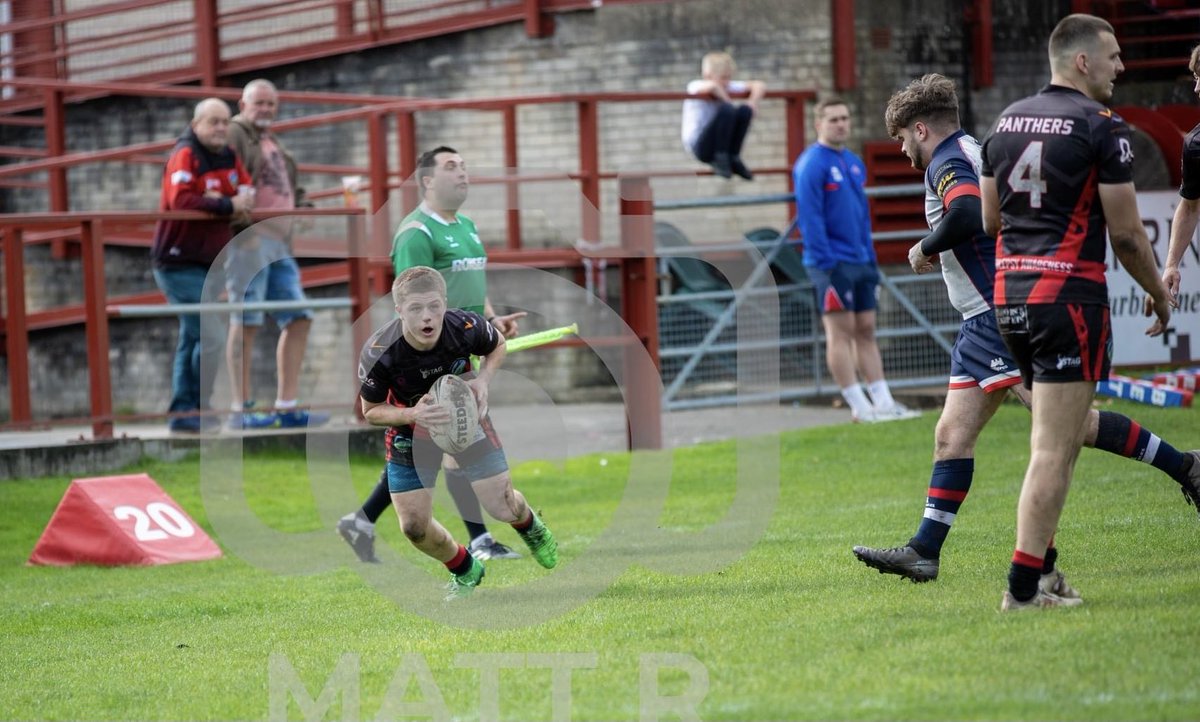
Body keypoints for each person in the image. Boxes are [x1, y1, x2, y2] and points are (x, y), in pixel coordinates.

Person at [852, 73, 1200, 589]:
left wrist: (925, 246)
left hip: (997, 314)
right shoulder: (970, 147)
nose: (903, 152)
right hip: (981, 319)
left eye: (903, 139)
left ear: (920, 129)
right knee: (951, 434)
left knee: (1066, 428)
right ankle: (924, 552)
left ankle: (1184, 467)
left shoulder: (946, 163)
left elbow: (968, 213)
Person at [980, 14, 1172, 611]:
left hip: (1010, 299)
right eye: (1113, 56)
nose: (1122, 66)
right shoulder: (1101, 127)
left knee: (1052, 443)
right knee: (1053, 450)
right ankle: (1022, 588)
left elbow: (991, 222)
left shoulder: (1006, 120)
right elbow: (1129, 237)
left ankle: (1044, 572)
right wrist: (1160, 292)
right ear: (1082, 61)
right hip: (1068, 301)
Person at [338, 146, 527, 563]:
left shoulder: (466, 226)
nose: (462, 173)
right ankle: (478, 541)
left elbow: (470, 285)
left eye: (464, 165)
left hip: (461, 350)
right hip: (425, 360)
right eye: (450, 167)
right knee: (446, 439)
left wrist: (491, 321)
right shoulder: (416, 234)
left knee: (443, 441)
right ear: (427, 181)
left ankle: (362, 521)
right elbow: (412, 294)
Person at [358, 266, 557, 597]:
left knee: (503, 506)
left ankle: (530, 526)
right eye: (415, 309)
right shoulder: (380, 351)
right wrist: (413, 413)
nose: (427, 317)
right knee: (414, 528)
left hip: (466, 421)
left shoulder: (464, 326)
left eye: (434, 306)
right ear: (399, 311)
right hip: (410, 431)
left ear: (445, 303)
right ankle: (465, 568)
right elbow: (371, 412)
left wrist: (482, 381)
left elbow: (498, 345)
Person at [792, 97, 917, 423]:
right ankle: (859, 407)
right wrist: (828, 263)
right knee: (840, 333)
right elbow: (811, 219)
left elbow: (861, 216)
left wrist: (870, 256)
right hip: (831, 263)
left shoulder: (853, 162)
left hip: (862, 260)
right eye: (833, 119)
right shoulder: (811, 164)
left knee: (866, 330)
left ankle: (884, 402)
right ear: (819, 124)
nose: (841, 124)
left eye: (845, 117)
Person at [223, 79, 328, 430]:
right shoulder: (235, 134)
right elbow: (225, 181)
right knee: (246, 322)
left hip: (280, 243)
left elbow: (284, 187)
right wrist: (242, 230)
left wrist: (304, 206)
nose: (266, 109)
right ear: (243, 104)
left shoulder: (271, 141)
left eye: (271, 104)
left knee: (299, 317)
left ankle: (286, 405)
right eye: (259, 103)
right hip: (250, 241)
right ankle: (241, 410)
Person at [151, 98, 253, 433]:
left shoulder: (227, 155)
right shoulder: (186, 153)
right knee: (210, 335)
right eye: (213, 122)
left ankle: (185, 411)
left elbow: (246, 192)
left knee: (192, 337)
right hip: (177, 261)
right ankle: (198, 408)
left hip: (209, 262)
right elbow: (181, 199)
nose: (221, 128)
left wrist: (231, 203)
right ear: (196, 125)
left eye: (225, 122)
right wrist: (227, 204)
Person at [680, 51, 764, 180]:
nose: (727, 82)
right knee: (728, 110)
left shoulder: (725, 85)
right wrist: (728, 101)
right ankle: (721, 158)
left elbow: (759, 85)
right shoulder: (695, 85)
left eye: (729, 77)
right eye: (723, 78)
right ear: (707, 75)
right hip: (700, 147)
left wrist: (752, 103)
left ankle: (733, 156)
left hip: (720, 144)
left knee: (744, 110)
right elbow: (713, 87)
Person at [1162, 44, 1200, 306]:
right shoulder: (1195, 144)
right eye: (1196, 79)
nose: (1197, 89)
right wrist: (1171, 264)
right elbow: (1189, 207)